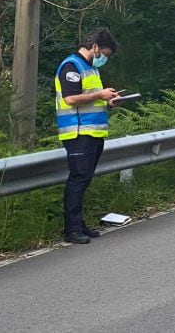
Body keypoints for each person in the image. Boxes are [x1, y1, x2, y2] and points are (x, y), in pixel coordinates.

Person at [55, 27, 121, 244]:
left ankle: (79, 225)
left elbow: (90, 99)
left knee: (84, 180)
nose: (105, 59)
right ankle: (71, 230)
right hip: (77, 132)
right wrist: (100, 94)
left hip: (92, 132)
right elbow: (70, 99)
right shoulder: (71, 66)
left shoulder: (91, 69)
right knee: (78, 179)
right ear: (95, 47)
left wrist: (108, 101)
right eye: (105, 54)